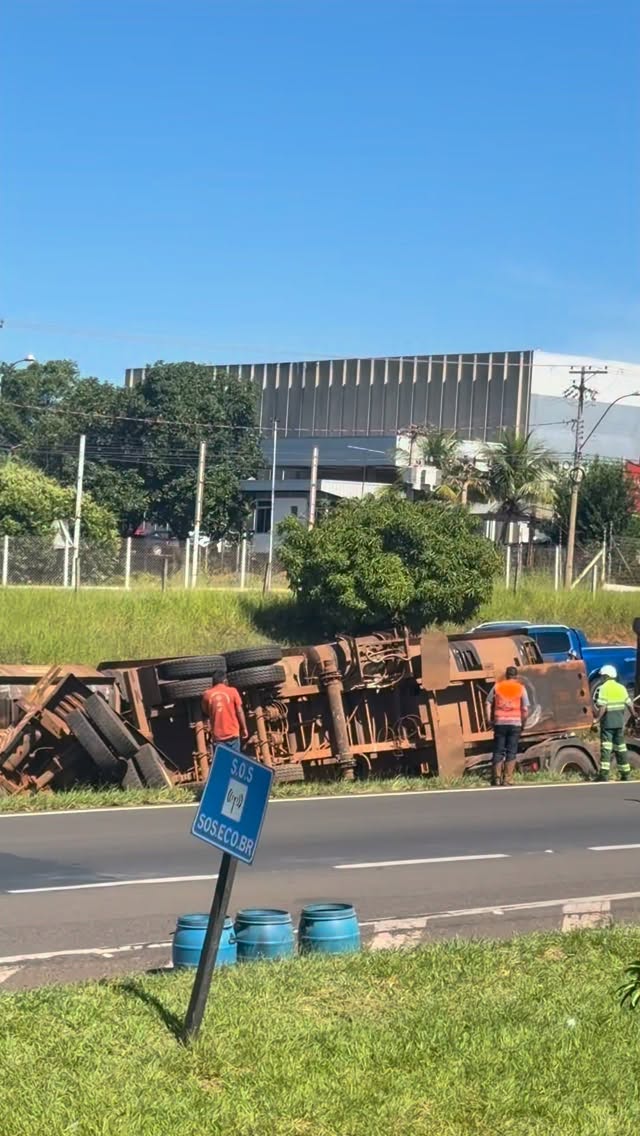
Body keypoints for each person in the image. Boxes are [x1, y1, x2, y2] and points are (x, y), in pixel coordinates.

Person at [486, 665, 529, 787]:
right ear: (516, 676)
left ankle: (496, 779)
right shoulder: (521, 688)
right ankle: (507, 780)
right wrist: (523, 723)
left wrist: (489, 719)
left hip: (499, 723)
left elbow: (488, 702)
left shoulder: (497, 686)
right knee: (511, 751)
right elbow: (525, 709)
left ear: (506, 675)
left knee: (498, 750)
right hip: (515, 723)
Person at [595, 664, 635, 782]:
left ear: (606, 676)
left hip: (607, 724)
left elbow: (602, 707)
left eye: (602, 676)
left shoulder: (603, 688)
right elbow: (629, 703)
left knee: (606, 748)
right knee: (621, 748)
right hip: (619, 723)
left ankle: (604, 774)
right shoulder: (621, 688)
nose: (601, 678)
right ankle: (625, 774)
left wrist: (597, 719)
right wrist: (634, 714)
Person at [201, 670, 248, 754]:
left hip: (218, 737)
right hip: (233, 734)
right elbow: (239, 711)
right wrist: (244, 728)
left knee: (223, 763)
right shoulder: (233, 691)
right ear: (225, 681)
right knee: (234, 761)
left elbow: (206, 711)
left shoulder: (207, 694)